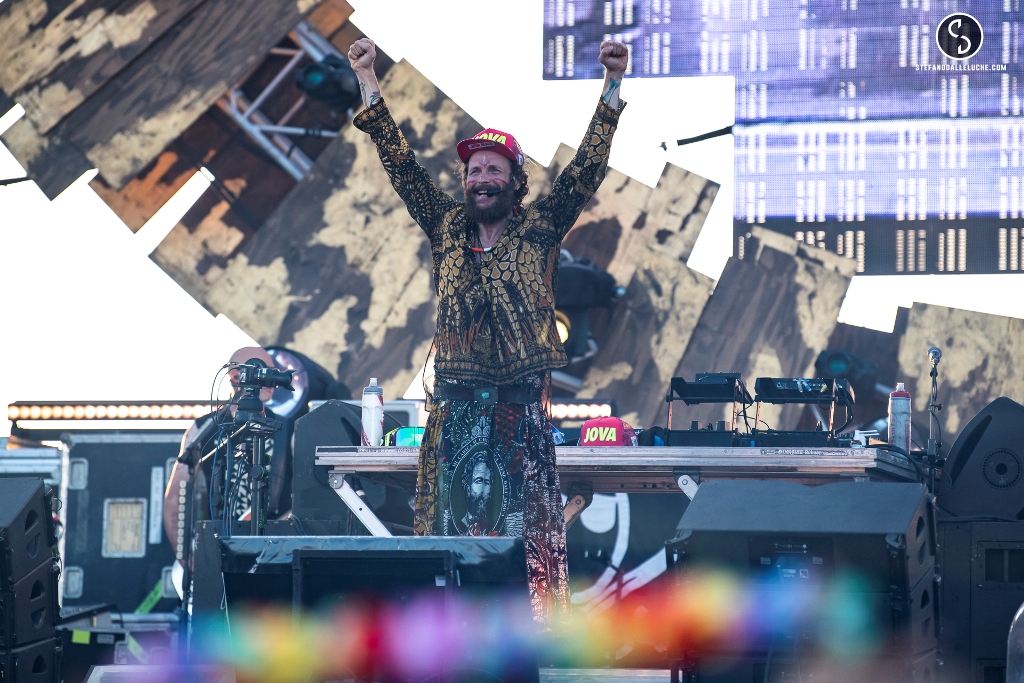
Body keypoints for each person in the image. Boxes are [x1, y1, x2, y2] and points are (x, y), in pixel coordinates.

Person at [348, 36, 628, 622]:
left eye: (493, 169)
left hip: (519, 412)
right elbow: (400, 163)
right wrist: (368, 78)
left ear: (515, 181)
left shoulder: (541, 227)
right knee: (448, 552)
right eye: (474, 169)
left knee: (522, 557)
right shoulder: (445, 224)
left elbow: (586, 170)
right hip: (454, 411)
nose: (481, 177)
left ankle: (521, 647)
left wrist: (611, 86)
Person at [163, 347, 291, 563]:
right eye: (264, 370)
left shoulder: (288, 430)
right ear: (235, 377)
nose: (273, 379)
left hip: (273, 556)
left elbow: (307, 501)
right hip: (219, 553)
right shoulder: (202, 429)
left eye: (274, 370)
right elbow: (175, 499)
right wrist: (186, 558)